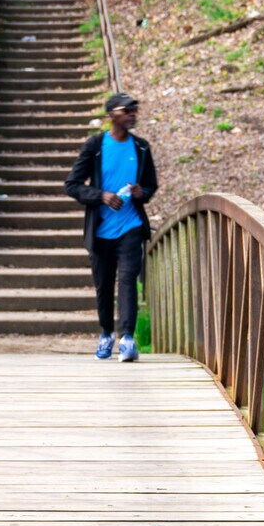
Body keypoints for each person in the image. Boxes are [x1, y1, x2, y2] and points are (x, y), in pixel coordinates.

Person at [64, 92, 158, 361]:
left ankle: (127, 338)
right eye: (126, 110)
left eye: (134, 109)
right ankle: (107, 333)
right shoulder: (95, 146)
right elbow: (71, 185)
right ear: (111, 115)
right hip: (101, 230)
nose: (132, 114)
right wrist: (101, 196)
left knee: (128, 280)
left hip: (131, 226)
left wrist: (143, 193)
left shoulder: (141, 147)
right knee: (104, 285)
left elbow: (151, 185)